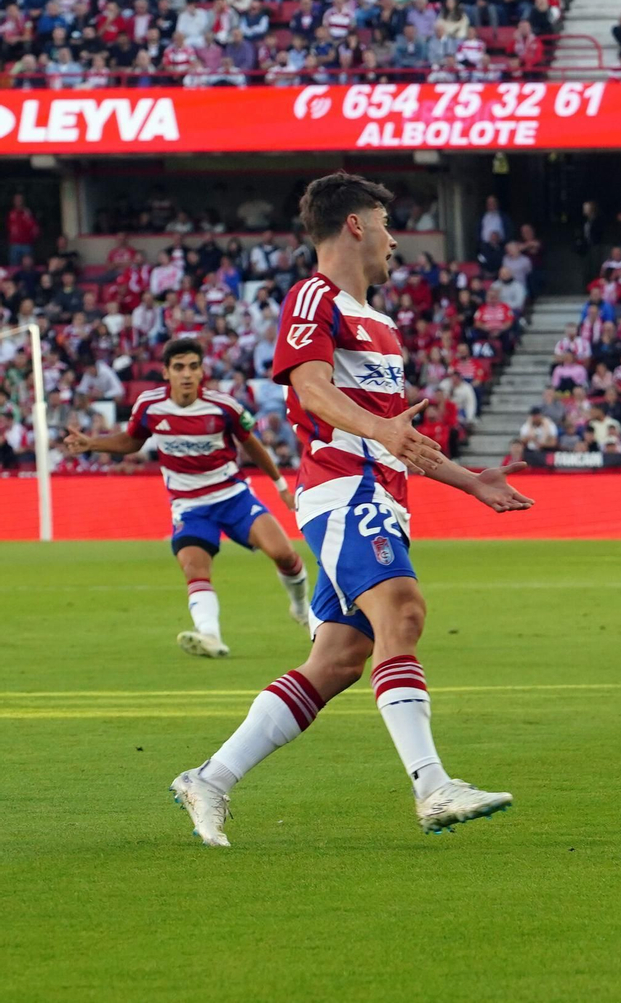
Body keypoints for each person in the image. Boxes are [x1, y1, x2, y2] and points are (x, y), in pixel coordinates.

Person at [169, 173, 534, 847]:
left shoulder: (383, 325)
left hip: (383, 493)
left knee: (339, 658)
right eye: (388, 225)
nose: (396, 241)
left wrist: (468, 480)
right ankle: (432, 786)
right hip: (344, 489)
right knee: (403, 609)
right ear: (357, 226)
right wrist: (377, 428)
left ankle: (209, 778)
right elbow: (310, 388)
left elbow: (399, 436)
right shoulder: (314, 295)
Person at [63, 337, 309, 660]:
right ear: (166, 373)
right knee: (194, 569)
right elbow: (132, 442)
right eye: (179, 368)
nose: (187, 374)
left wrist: (280, 485)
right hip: (190, 506)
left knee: (285, 555)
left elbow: (251, 445)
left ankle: (301, 608)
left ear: (202, 370)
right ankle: (209, 635)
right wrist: (93, 444)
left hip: (233, 496)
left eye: (193, 367)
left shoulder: (224, 407)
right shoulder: (150, 406)